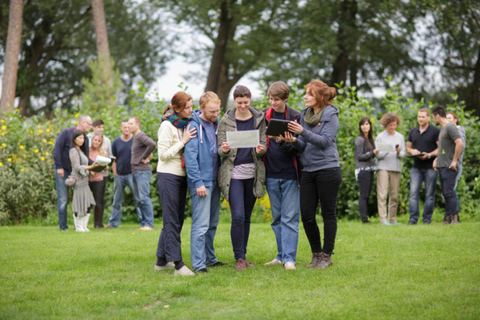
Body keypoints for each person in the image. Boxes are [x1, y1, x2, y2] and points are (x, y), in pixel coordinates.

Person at [282, 79, 342, 270]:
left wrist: (302, 132)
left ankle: (327, 255)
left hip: (328, 169)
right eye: (305, 93)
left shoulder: (331, 114)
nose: (305, 96)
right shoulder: (304, 116)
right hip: (308, 170)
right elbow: (304, 146)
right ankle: (316, 254)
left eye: (309, 93)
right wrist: (292, 140)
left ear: (321, 97)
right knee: (307, 215)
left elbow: (324, 141)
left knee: (328, 214)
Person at [217, 85, 267, 272]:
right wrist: (225, 149)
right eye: (240, 103)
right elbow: (220, 150)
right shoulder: (225, 121)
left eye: (246, 102)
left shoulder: (259, 119)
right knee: (237, 216)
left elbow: (263, 144)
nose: (243, 106)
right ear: (234, 101)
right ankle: (238, 258)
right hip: (234, 175)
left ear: (250, 100)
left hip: (252, 174)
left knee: (246, 217)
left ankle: (243, 256)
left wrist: (262, 149)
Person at [154, 92, 197, 276]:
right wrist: (183, 142)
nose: (191, 110)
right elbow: (162, 155)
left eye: (191, 106)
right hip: (167, 176)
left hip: (181, 176)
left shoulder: (185, 124)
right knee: (171, 220)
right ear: (177, 109)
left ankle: (161, 261)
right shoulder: (167, 126)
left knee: (176, 219)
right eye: (187, 107)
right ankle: (178, 265)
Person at [184, 91, 225, 273]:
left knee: (212, 223)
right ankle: (199, 264)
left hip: (215, 180)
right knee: (200, 225)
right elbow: (190, 158)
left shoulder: (216, 124)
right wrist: (198, 182)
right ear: (201, 108)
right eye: (211, 112)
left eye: (217, 111)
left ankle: (210, 258)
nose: (215, 115)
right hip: (201, 183)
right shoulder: (193, 126)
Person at [262, 81, 301, 270]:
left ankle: (289, 258)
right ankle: (280, 254)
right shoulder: (264, 115)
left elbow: (298, 149)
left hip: (291, 175)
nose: (273, 103)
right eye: (270, 98)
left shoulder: (295, 117)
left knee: (290, 218)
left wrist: (281, 141)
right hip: (271, 174)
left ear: (285, 99)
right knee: (277, 218)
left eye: (276, 99)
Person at [53, 115, 93, 231]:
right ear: (83, 123)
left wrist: (96, 165)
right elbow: (57, 150)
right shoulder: (66, 133)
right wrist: (59, 167)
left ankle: (80, 226)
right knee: (63, 200)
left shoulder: (86, 138)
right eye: (90, 124)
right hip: (63, 171)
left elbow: (86, 157)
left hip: (77, 174)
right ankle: (63, 227)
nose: (91, 127)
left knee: (80, 199)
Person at [406, 108, 440, 225]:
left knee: (429, 195)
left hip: (431, 167)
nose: (420, 119)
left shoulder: (435, 131)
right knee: (413, 194)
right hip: (416, 168)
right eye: (419, 117)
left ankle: (427, 219)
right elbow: (408, 148)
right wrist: (413, 151)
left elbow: (441, 148)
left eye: (423, 117)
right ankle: (413, 219)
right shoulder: (413, 132)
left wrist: (429, 155)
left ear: (428, 118)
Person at [432, 106, 463, 224]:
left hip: (449, 166)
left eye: (433, 116)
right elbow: (442, 148)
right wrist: (436, 160)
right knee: (446, 193)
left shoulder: (450, 127)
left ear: (437, 116)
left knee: (449, 192)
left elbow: (459, 143)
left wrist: (454, 161)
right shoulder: (443, 129)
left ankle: (454, 219)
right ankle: (448, 218)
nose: (433, 119)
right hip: (442, 166)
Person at [107, 120, 140, 228]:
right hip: (119, 176)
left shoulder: (135, 140)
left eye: (128, 127)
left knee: (139, 199)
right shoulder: (116, 142)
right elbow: (114, 159)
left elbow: (145, 153)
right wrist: (115, 173)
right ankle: (113, 223)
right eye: (124, 127)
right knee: (116, 201)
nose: (126, 129)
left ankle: (144, 222)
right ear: (121, 128)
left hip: (132, 174)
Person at [375, 113, 406, 226]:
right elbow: (378, 155)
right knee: (382, 195)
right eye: (390, 125)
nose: (392, 127)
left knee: (394, 195)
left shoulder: (400, 137)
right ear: (385, 125)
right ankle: (383, 220)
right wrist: (387, 149)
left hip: (396, 168)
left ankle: (392, 219)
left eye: (394, 125)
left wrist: (398, 152)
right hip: (383, 168)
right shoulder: (380, 137)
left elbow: (403, 155)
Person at [69, 130, 100, 232]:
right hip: (78, 181)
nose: (82, 140)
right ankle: (78, 227)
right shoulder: (73, 151)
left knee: (89, 203)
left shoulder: (81, 151)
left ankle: (84, 225)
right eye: (79, 138)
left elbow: (85, 166)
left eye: (83, 138)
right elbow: (77, 167)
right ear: (74, 139)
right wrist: (91, 167)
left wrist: (94, 168)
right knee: (80, 204)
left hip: (85, 180)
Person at [128, 116, 156, 230]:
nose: (129, 126)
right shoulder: (135, 138)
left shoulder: (140, 136)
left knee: (144, 197)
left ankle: (149, 224)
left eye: (131, 124)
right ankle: (144, 224)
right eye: (128, 124)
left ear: (137, 125)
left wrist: (144, 156)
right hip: (135, 171)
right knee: (139, 199)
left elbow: (152, 144)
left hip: (142, 171)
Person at [354, 117, 378, 224]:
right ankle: (364, 219)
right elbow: (359, 156)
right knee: (363, 195)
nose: (365, 126)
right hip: (363, 169)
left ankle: (365, 217)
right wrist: (372, 154)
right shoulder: (360, 139)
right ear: (360, 127)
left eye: (367, 124)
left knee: (367, 195)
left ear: (370, 126)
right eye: (363, 124)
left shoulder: (369, 138)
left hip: (370, 169)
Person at [446, 111, 466, 219]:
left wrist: (454, 160)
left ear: (455, 120)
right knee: (449, 191)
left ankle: (455, 215)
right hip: (447, 165)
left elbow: (461, 146)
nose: (447, 120)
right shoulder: (447, 132)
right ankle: (450, 215)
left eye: (450, 118)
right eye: (446, 118)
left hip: (455, 165)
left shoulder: (459, 130)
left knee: (451, 190)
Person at [88, 132, 109, 228]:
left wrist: (105, 167)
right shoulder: (86, 150)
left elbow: (106, 168)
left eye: (99, 141)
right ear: (92, 140)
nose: (96, 142)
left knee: (98, 201)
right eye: (95, 140)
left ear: (101, 143)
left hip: (98, 179)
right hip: (87, 179)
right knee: (86, 202)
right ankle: (83, 223)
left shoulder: (103, 153)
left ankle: (98, 223)